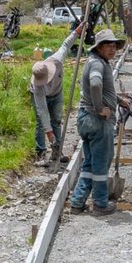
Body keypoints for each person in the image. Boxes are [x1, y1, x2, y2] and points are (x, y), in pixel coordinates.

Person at [69, 28, 126, 216]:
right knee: (101, 164)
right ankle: (101, 203)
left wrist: (118, 100)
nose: (112, 50)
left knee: (90, 163)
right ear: (99, 47)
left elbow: (101, 89)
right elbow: (95, 85)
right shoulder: (97, 65)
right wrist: (100, 108)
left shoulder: (98, 62)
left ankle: (77, 202)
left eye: (114, 46)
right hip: (97, 120)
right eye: (108, 46)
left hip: (86, 119)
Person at [30, 20, 85, 163]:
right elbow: (43, 111)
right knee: (41, 123)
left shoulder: (57, 60)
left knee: (57, 120)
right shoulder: (37, 87)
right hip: (43, 97)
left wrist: (78, 31)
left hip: (57, 92)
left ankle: (57, 152)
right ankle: (41, 152)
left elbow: (66, 44)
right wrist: (50, 135)